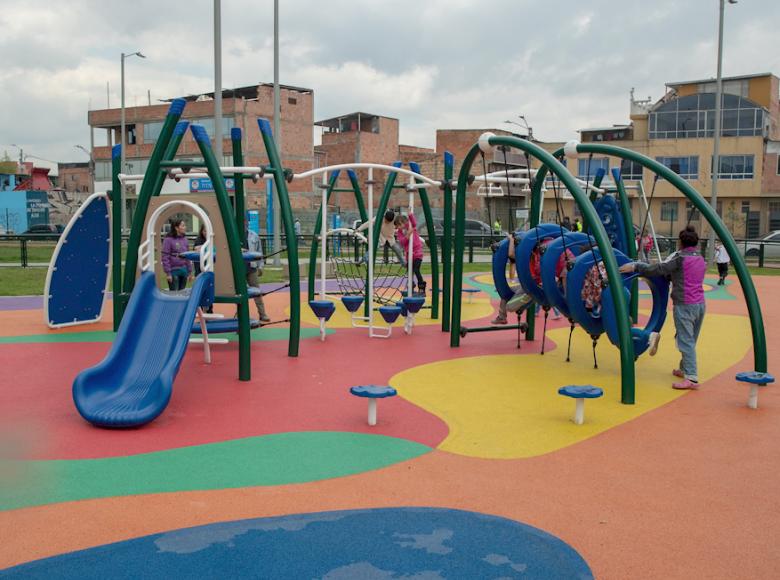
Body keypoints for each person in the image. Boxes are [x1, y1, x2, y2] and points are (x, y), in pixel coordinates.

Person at [619, 226, 706, 390]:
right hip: (700, 304)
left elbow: (658, 269)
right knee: (690, 337)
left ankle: (692, 378)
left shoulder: (679, 259)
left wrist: (636, 266)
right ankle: (685, 368)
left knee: (685, 340)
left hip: (685, 304)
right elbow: (682, 275)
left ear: (680, 242)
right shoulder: (700, 259)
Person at [492, 234, 533, 324]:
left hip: (530, 286)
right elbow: (511, 255)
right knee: (505, 294)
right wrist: (511, 240)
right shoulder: (522, 257)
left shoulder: (527, 257)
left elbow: (511, 254)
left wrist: (511, 240)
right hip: (524, 285)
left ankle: (525, 300)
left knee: (509, 307)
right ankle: (502, 317)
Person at [394, 213, 426, 296]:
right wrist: (408, 235)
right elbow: (402, 242)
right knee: (409, 272)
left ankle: (421, 288)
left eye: (401, 224)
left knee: (416, 270)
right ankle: (411, 287)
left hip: (417, 253)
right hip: (409, 255)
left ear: (404, 222)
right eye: (398, 225)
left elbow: (414, 223)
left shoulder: (410, 226)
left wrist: (410, 214)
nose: (400, 226)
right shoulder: (400, 233)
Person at [245, 224, 270, 323]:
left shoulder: (254, 235)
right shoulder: (235, 235)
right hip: (239, 268)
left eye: (244, 221)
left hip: (252, 267)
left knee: (256, 291)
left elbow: (259, 251)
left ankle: (262, 314)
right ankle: (241, 315)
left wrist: (260, 266)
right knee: (241, 293)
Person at [161, 218, 192, 291]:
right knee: (174, 295)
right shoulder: (168, 239)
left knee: (181, 294)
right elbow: (165, 256)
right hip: (173, 272)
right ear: (176, 228)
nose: (185, 227)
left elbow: (188, 256)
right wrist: (168, 273)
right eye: (183, 225)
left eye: (185, 225)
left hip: (183, 271)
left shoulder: (185, 239)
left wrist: (190, 272)